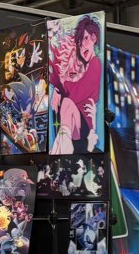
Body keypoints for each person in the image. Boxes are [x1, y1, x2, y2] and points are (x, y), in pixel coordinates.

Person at [50, 15, 102, 153]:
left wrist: (59, 88)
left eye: (85, 38)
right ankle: (61, 146)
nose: (82, 44)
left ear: (94, 38)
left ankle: (62, 148)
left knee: (67, 102)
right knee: (66, 104)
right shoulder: (82, 65)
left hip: (84, 126)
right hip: (72, 123)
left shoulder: (95, 63)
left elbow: (77, 93)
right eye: (80, 40)